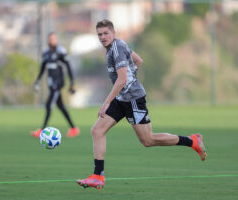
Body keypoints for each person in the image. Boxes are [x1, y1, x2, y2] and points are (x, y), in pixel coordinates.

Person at [76, 19, 207, 189]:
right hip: (123, 98)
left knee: (148, 140)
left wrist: (107, 102)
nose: (102, 37)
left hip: (133, 100)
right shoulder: (116, 47)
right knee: (97, 130)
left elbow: (123, 78)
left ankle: (192, 141)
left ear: (113, 33)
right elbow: (139, 61)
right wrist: (130, 80)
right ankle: (98, 176)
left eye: (106, 33)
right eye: (99, 34)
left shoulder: (116, 48)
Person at [31, 32, 80, 138]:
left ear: (56, 40)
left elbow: (69, 66)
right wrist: (37, 80)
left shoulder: (60, 52)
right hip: (50, 83)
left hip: (58, 83)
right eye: (50, 39)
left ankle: (42, 130)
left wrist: (72, 83)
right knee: (61, 107)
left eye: (53, 39)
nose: (51, 41)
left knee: (48, 104)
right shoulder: (46, 53)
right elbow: (42, 68)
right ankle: (73, 128)